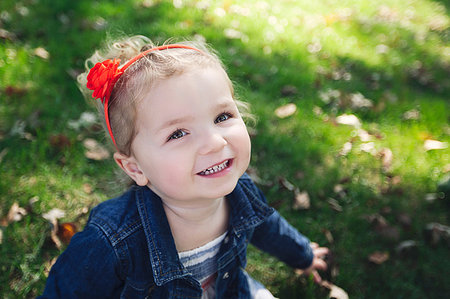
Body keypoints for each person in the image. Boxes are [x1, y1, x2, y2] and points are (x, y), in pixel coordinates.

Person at [39, 35, 328, 299]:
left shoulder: (242, 193)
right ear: (136, 168)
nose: (214, 142)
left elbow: (267, 227)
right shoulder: (111, 240)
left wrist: (302, 254)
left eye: (222, 116)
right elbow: (67, 291)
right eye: (178, 133)